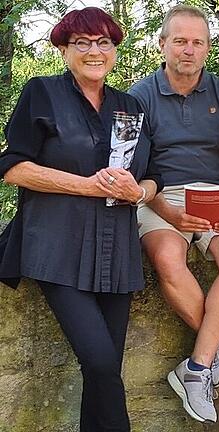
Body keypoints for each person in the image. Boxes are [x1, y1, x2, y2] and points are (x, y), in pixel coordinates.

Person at [0, 8, 162, 431]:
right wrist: (86, 185)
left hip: (116, 254)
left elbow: (154, 176)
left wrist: (139, 192)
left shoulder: (130, 105)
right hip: (57, 247)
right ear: (63, 48)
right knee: (102, 362)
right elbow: (13, 167)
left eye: (104, 42)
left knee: (103, 372)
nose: (95, 51)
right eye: (82, 43)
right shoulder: (41, 93)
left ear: (114, 50)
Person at [128, 5, 219, 424]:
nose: (188, 49)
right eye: (180, 41)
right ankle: (214, 354)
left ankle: (196, 367)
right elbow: (135, 171)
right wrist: (169, 212)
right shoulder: (138, 96)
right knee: (166, 258)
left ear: (207, 48)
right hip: (160, 196)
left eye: (197, 42)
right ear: (162, 44)